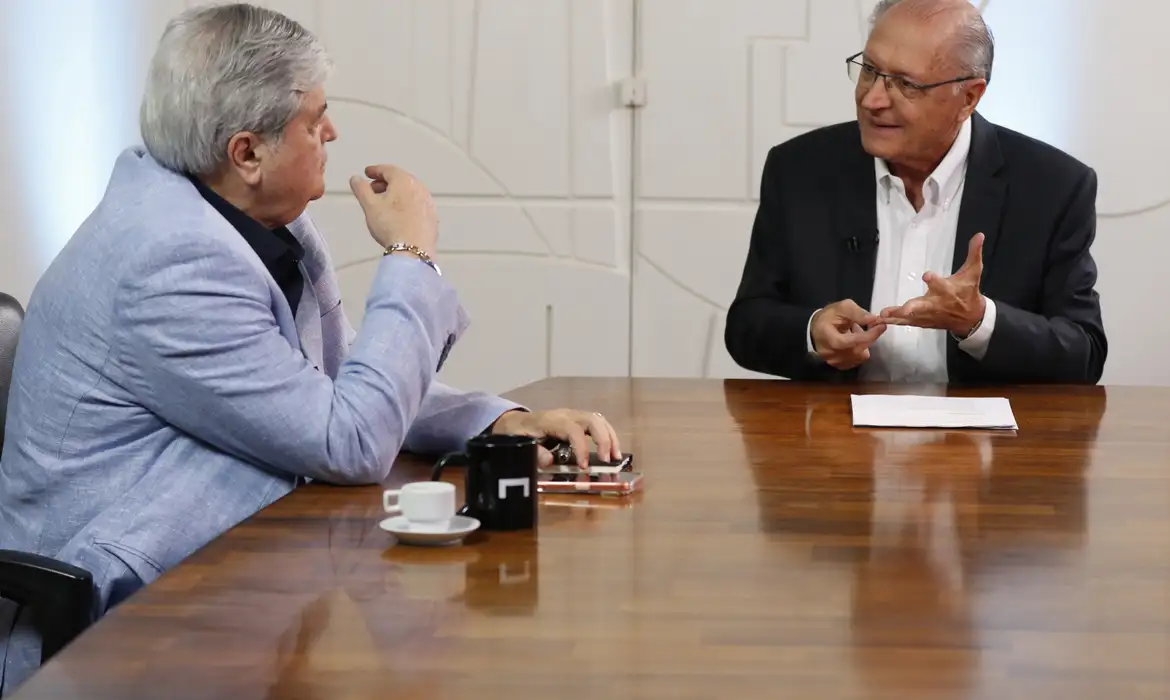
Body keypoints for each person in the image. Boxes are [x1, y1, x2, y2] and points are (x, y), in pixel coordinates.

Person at [0, 4, 620, 694]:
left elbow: (334, 379)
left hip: (229, 575)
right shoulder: (169, 261)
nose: (332, 132)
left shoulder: (254, 219)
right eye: (314, 119)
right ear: (247, 153)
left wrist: (496, 421)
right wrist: (409, 253)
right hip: (120, 625)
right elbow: (349, 439)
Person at [724, 0, 1107, 385]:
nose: (872, 99)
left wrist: (979, 321)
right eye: (869, 71)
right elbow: (746, 326)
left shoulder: (1052, 187)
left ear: (969, 97)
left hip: (981, 424)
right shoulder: (799, 169)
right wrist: (811, 332)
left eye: (906, 84)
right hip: (839, 422)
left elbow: (1084, 354)